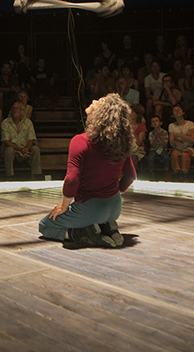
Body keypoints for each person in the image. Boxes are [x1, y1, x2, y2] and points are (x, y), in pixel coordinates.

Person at [38, 94, 136, 248]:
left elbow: (72, 180)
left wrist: (64, 206)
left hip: (91, 208)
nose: (94, 100)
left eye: (99, 101)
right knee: (93, 213)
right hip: (115, 206)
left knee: (45, 226)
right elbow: (130, 175)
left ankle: (83, 233)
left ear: (102, 114)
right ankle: (107, 226)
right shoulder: (120, 143)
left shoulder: (81, 141)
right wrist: (114, 192)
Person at [1, 102, 42, 180]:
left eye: (17, 108)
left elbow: (31, 139)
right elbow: (6, 142)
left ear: (22, 111)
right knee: (9, 150)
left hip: (25, 150)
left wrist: (26, 150)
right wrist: (20, 149)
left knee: (35, 149)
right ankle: (9, 177)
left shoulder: (28, 122)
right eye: (13, 108)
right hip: (13, 151)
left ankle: (34, 176)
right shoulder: (5, 123)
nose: (15, 110)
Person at [169, 104, 194, 181]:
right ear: (172, 115)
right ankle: (176, 176)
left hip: (188, 147)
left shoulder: (190, 124)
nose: (177, 111)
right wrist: (186, 136)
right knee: (174, 154)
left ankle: (185, 177)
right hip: (176, 148)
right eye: (175, 110)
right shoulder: (171, 126)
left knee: (184, 154)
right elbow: (171, 142)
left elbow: (192, 140)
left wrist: (179, 136)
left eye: (179, 109)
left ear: (183, 112)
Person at [141, 114, 170, 179]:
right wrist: (156, 137)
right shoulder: (151, 133)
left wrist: (160, 137)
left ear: (161, 123)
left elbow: (165, 144)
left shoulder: (164, 132)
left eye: (156, 121)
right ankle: (151, 173)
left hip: (163, 149)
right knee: (150, 157)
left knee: (166, 157)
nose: (155, 123)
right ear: (151, 125)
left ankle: (167, 172)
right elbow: (153, 146)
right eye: (153, 121)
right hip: (154, 150)